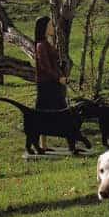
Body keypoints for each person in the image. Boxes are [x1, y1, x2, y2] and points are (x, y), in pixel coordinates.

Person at [34, 16, 67, 150]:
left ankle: (44, 144)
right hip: (46, 85)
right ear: (44, 28)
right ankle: (40, 144)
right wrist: (58, 78)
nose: (52, 28)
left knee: (58, 111)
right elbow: (45, 67)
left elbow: (52, 64)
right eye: (50, 26)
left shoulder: (47, 43)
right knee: (43, 113)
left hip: (52, 83)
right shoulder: (41, 45)